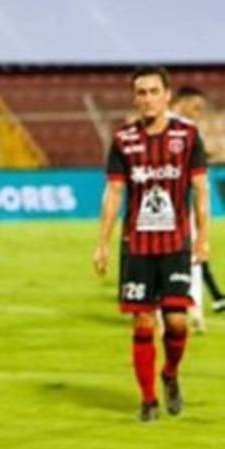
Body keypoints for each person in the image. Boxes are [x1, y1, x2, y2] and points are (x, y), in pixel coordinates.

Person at [93, 67, 210, 422]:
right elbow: (114, 193)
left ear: (167, 95)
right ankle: (148, 400)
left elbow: (200, 189)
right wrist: (102, 243)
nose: (147, 98)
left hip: (175, 244)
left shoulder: (187, 137)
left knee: (176, 323)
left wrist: (203, 238)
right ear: (135, 98)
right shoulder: (123, 140)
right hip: (138, 247)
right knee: (143, 323)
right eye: (141, 92)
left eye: (153, 91)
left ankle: (170, 374)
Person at [170, 86, 224, 328]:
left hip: (187, 200)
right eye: (196, 107)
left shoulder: (190, 130)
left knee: (194, 252)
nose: (199, 112)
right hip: (165, 203)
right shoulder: (164, 125)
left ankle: (195, 310)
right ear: (182, 102)